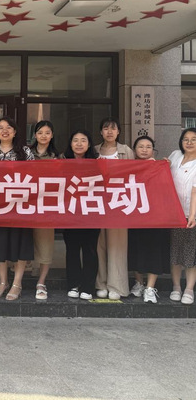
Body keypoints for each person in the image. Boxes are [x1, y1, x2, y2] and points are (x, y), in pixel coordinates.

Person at [0, 116, 34, 301]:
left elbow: (35, 176)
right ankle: (3, 282)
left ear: (14, 131)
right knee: (1, 245)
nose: (4, 131)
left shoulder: (25, 152)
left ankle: (17, 283)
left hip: (21, 207)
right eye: (0, 128)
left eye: (8, 128)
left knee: (21, 244)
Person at [94, 117, 134, 300]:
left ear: (118, 132)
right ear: (101, 132)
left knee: (117, 246)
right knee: (99, 245)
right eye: (105, 128)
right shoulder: (94, 150)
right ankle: (101, 283)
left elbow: (136, 174)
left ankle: (116, 286)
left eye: (113, 128)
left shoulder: (126, 151)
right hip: (96, 203)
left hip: (118, 203)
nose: (109, 132)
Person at [127, 136, 171, 304]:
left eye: (148, 146)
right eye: (141, 146)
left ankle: (150, 288)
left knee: (154, 250)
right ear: (134, 150)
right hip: (134, 215)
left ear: (153, 150)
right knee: (135, 248)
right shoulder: (128, 167)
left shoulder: (160, 166)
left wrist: (167, 168)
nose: (144, 150)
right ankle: (139, 283)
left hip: (156, 216)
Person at [62, 130, 100, 300]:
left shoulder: (97, 164)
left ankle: (88, 286)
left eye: (83, 140)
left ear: (89, 144)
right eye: (75, 140)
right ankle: (73, 284)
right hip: (70, 212)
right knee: (72, 250)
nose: (79, 144)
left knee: (90, 250)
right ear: (70, 144)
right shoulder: (62, 163)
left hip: (91, 212)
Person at [29, 120, 59, 300]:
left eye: (47, 132)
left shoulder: (58, 157)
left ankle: (41, 281)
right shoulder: (26, 154)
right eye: (40, 132)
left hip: (47, 206)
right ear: (35, 135)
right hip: (26, 204)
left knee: (45, 244)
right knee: (24, 242)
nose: (43, 136)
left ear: (52, 135)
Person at [168, 128, 196, 305]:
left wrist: (192, 215)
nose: (189, 142)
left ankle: (189, 289)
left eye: (194, 139)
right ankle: (176, 287)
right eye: (186, 139)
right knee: (175, 252)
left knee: (190, 253)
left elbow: (195, 191)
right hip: (173, 213)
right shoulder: (175, 155)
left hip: (191, 214)